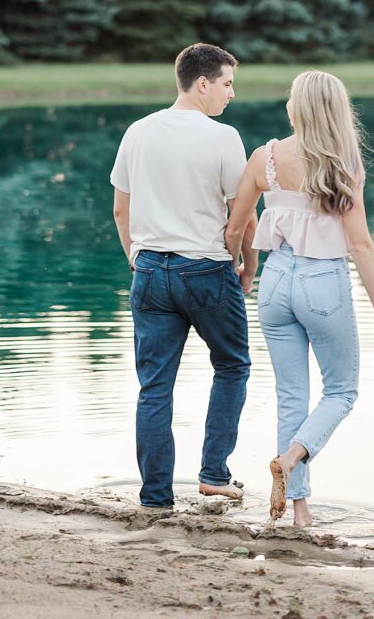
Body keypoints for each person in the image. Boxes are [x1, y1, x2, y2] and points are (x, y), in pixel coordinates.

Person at [225, 70, 374, 526]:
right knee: (341, 390)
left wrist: (245, 268)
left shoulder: (266, 157)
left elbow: (236, 224)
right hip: (324, 283)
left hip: (276, 283)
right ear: (338, 110)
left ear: (295, 108)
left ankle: (298, 510)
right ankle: (293, 457)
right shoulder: (345, 163)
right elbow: (360, 244)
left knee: (291, 397)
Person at [111, 44, 258, 511]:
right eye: (227, 83)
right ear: (202, 84)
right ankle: (214, 474)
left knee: (154, 386)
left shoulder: (138, 131)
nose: (231, 94)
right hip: (207, 270)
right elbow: (243, 214)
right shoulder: (223, 137)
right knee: (232, 365)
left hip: (150, 269)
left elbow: (121, 208)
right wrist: (246, 265)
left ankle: (155, 497)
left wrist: (137, 261)